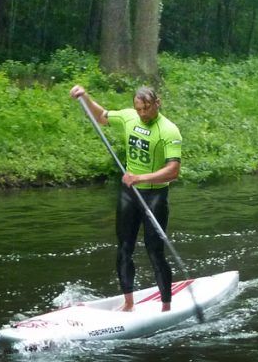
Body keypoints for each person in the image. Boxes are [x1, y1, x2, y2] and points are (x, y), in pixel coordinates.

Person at [70, 84, 182, 312]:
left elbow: (173, 171)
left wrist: (140, 177)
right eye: (139, 109)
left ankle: (166, 307)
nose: (142, 113)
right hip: (130, 194)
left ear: (157, 103)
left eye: (147, 108)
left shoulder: (169, 130)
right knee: (124, 248)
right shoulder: (129, 117)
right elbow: (101, 116)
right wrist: (85, 97)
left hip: (155, 195)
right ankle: (128, 303)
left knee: (154, 251)